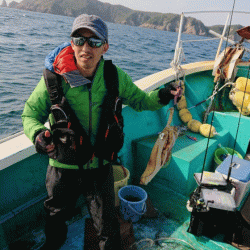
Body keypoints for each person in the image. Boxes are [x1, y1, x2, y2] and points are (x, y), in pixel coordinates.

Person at [22, 14, 180, 250]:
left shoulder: (115, 77)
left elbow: (142, 101)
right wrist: (37, 135)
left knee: (108, 227)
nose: (86, 48)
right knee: (55, 221)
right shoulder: (54, 78)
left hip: (99, 166)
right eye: (80, 40)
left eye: (94, 42)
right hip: (63, 167)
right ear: (71, 42)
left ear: (105, 47)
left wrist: (164, 95)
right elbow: (30, 114)